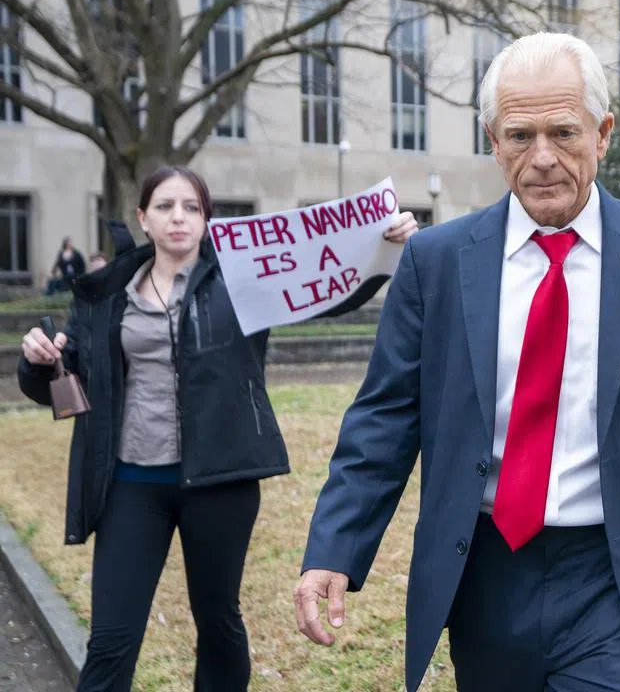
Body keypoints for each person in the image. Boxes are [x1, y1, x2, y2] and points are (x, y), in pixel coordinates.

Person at [294, 32, 620, 692]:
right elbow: (384, 421)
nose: (542, 158)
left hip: (612, 574)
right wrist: (334, 548)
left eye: (563, 132)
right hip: (483, 571)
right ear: (493, 140)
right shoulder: (439, 263)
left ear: (602, 134)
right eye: (520, 136)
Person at [17, 166, 418, 692]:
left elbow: (325, 291)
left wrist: (382, 253)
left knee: (218, 622)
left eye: (191, 207)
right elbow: (56, 382)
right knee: (112, 637)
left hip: (219, 481)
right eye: (164, 206)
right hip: (130, 483)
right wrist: (38, 361)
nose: (178, 217)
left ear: (207, 220)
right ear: (143, 217)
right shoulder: (106, 294)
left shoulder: (243, 278)